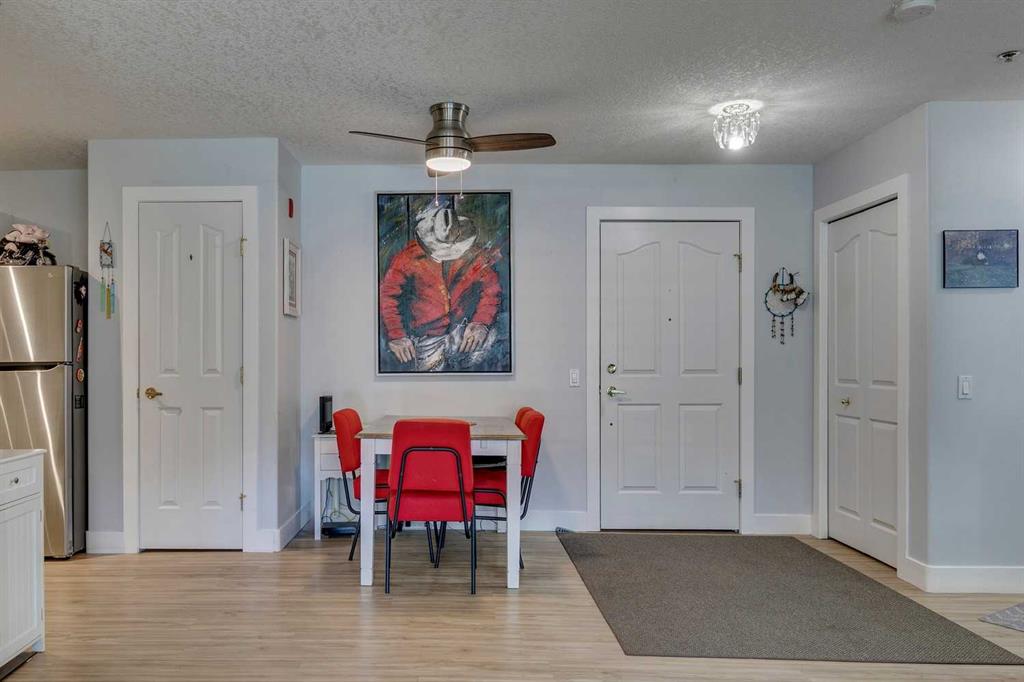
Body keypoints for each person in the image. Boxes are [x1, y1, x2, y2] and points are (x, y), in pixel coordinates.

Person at [379, 203, 502, 371]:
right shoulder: (407, 257)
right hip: (424, 337)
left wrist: (481, 322)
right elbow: (388, 295)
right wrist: (396, 334)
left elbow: (491, 290)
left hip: (464, 330)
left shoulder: (476, 254)